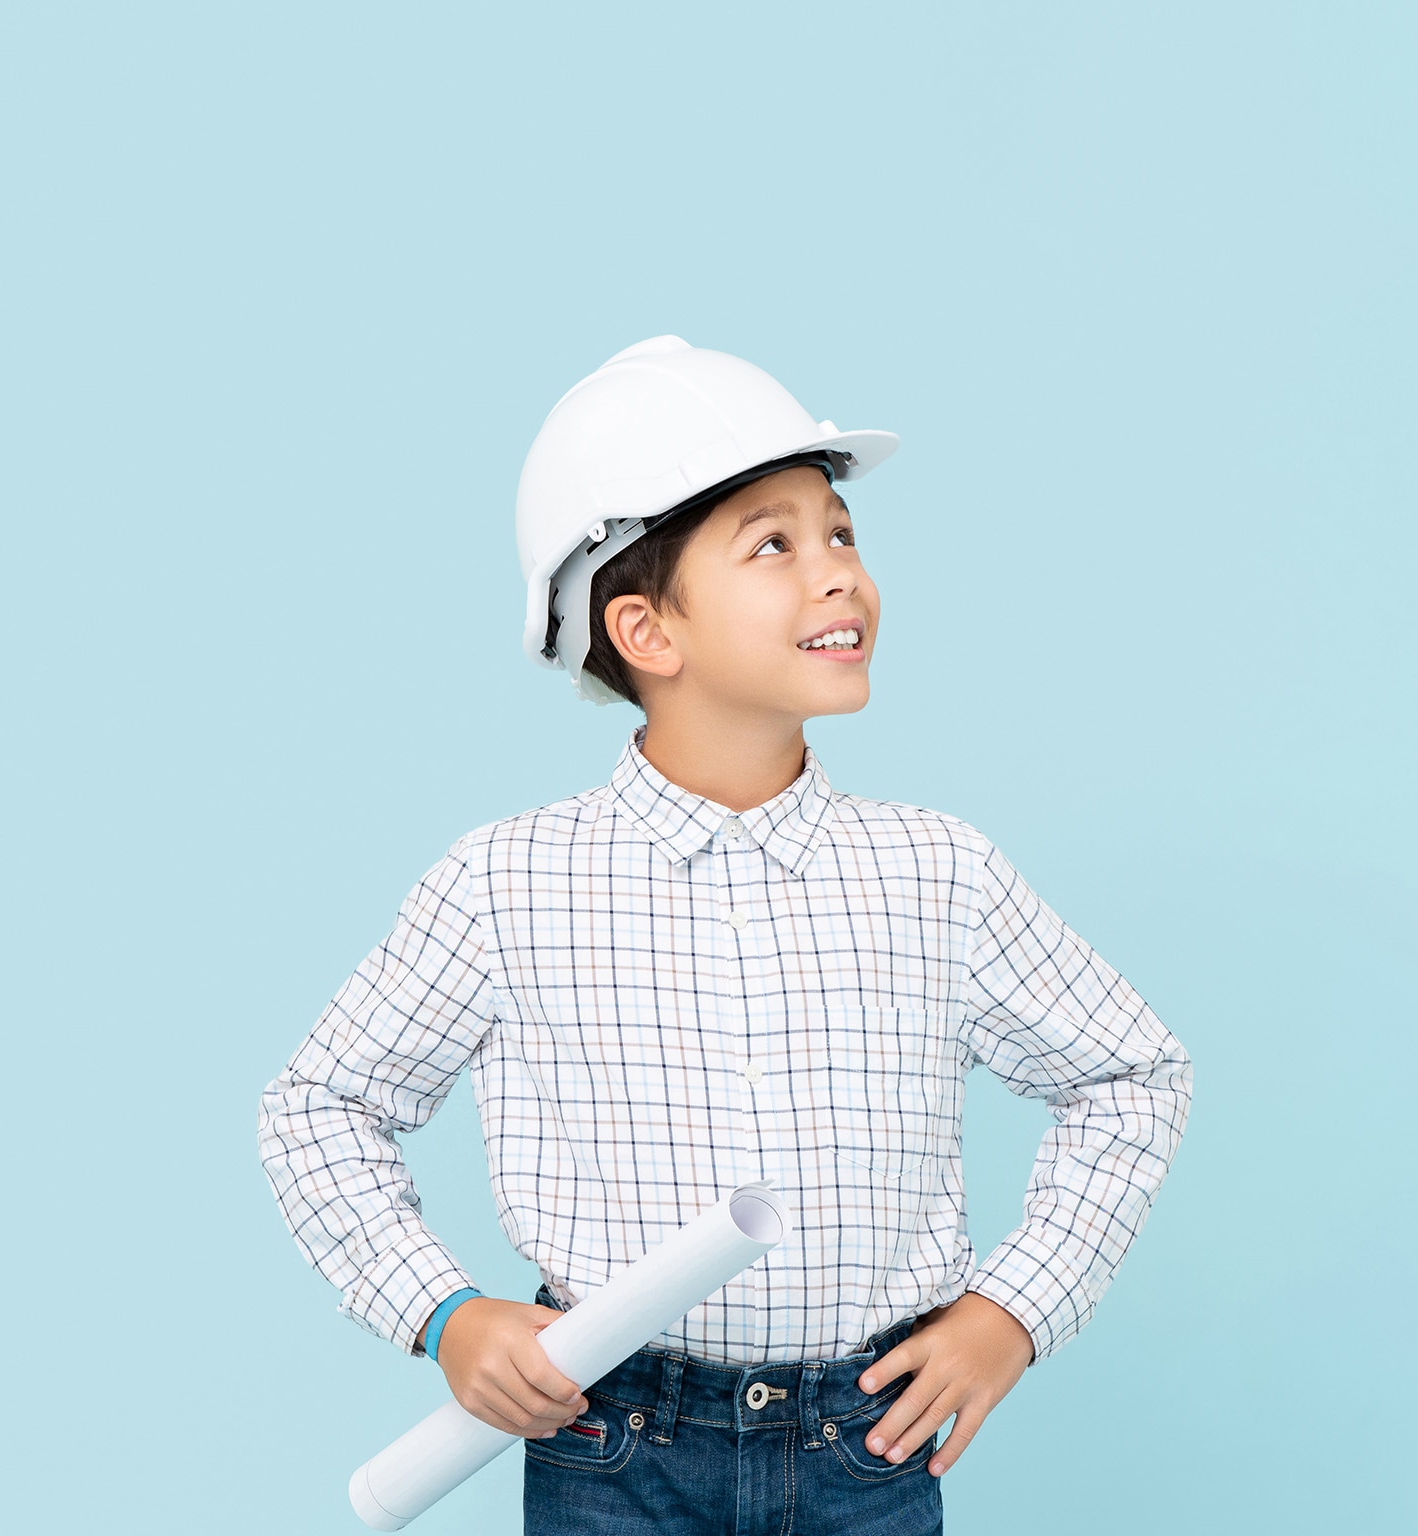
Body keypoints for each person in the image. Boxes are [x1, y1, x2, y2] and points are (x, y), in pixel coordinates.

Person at [257, 336, 1194, 1535]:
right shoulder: (507, 883)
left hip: (866, 1444)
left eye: (841, 533)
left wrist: (1015, 1310)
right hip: (613, 1446)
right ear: (646, 631)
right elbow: (320, 1107)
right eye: (774, 544)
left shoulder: (937, 872)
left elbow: (1130, 1073)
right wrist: (445, 1315)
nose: (838, 575)